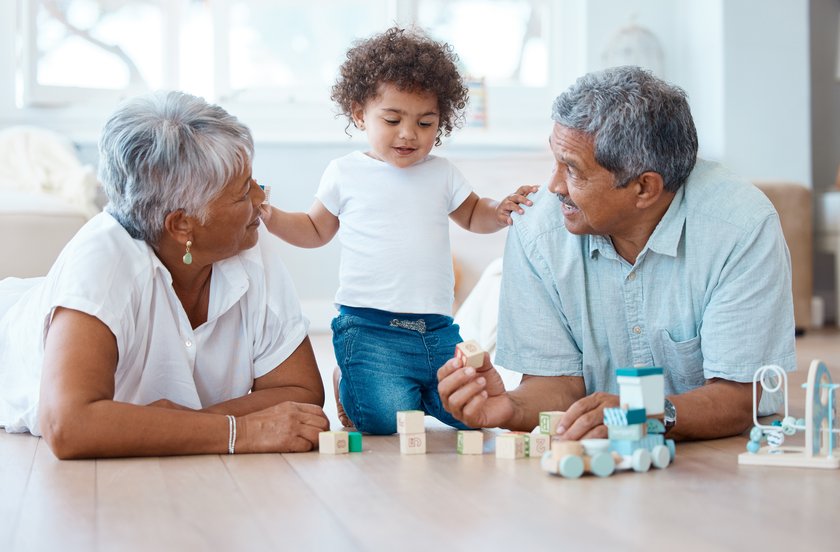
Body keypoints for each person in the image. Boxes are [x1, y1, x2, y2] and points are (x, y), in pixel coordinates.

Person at [437, 66, 796, 442]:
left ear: (644, 188)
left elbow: (740, 398)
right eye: (555, 161)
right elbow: (557, 384)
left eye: (572, 170)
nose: (554, 185)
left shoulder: (741, 227)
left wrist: (646, 414)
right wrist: (512, 408)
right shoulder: (535, 226)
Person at [0, 91, 330, 458]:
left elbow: (301, 393)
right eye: (241, 194)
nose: (261, 199)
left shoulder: (247, 244)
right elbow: (69, 425)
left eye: (253, 181)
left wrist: (179, 425)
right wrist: (242, 431)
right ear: (182, 225)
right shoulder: (101, 263)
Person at [261, 27, 537, 435]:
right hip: (370, 327)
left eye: (426, 123)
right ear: (359, 114)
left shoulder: (441, 173)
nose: (409, 134)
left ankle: (417, 392)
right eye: (393, 119)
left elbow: (474, 212)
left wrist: (500, 211)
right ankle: (349, 380)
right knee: (385, 421)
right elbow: (315, 229)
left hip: (437, 328)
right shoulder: (345, 172)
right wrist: (270, 214)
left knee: (468, 417)